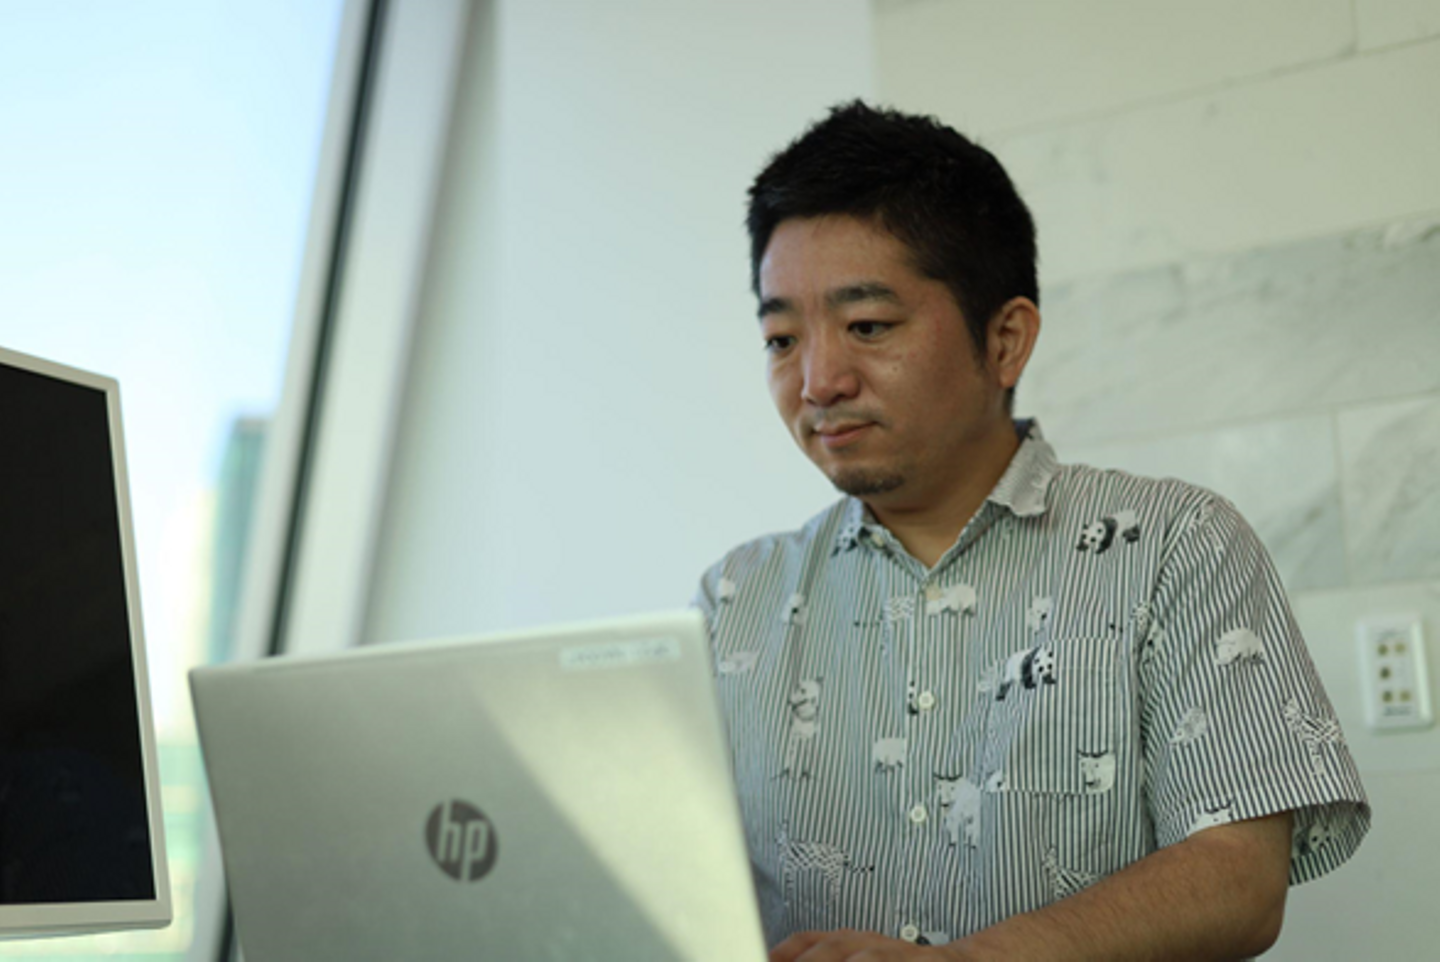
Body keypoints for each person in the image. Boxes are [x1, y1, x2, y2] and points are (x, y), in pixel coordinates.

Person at [693, 101, 1369, 961]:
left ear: (1006, 340)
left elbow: (1238, 876)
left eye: (868, 327)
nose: (818, 380)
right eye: (782, 338)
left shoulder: (1174, 545)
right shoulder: (734, 602)